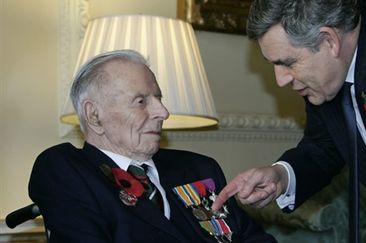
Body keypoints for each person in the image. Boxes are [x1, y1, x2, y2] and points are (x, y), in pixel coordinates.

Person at [212, 0, 366, 242]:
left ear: (329, 41)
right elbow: (324, 145)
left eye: (288, 63)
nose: (280, 80)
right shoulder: (325, 75)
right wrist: (280, 176)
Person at [28, 49, 276, 243]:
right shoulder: (68, 170)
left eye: (158, 98)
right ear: (94, 116)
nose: (163, 112)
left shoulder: (198, 168)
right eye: (141, 101)